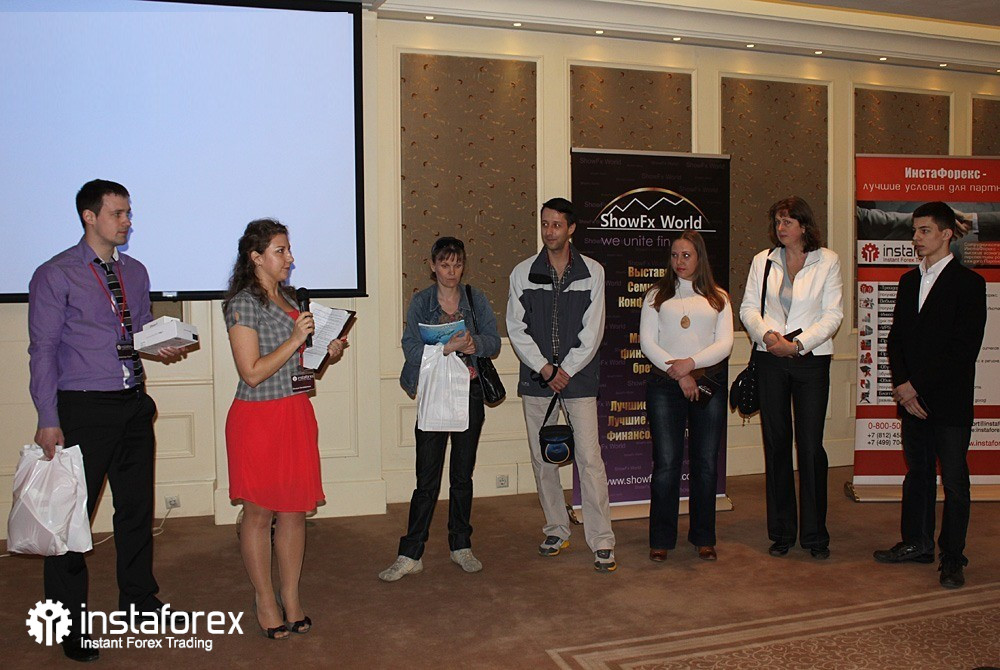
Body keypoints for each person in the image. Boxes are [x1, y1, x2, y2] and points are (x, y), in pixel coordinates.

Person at [28, 179, 186, 662]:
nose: (127, 222)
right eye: (118, 213)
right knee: (69, 520)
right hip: (82, 408)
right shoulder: (55, 274)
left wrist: (161, 345)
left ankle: (138, 600)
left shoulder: (135, 272)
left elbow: (137, 332)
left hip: (132, 403)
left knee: (135, 510)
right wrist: (48, 417)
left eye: (129, 213)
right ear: (89, 216)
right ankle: (68, 624)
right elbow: (43, 351)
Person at [223, 219, 347, 639]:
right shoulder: (242, 304)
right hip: (258, 419)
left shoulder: (292, 299)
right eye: (280, 250)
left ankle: (291, 597)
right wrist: (296, 339)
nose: (290, 257)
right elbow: (252, 372)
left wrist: (325, 351)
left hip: (295, 413)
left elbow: (301, 366)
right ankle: (264, 599)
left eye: (289, 249)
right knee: (259, 513)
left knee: (294, 511)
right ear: (256, 257)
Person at [873, 201, 987, 589]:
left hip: (949, 402)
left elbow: (963, 349)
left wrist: (915, 386)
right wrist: (904, 388)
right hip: (912, 402)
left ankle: (952, 556)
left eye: (924, 231)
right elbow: (896, 340)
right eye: (915, 231)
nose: (916, 238)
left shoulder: (969, 283)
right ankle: (916, 543)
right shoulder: (908, 281)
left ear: (946, 234)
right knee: (918, 474)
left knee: (954, 482)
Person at [379, 237, 501, 582]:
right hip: (434, 393)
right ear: (432, 266)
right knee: (426, 479)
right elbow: (410, 347)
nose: (451, 272)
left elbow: (493, 342)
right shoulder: (421, 302)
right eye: (445, 265)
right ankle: (410, 553)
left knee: (462, 476)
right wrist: (445, 348)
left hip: (469, 394)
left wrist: (473, 343)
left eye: (457, 264)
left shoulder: (476, 299)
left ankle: (461, 546)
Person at [506, 197, 617, 572]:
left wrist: (563, 370)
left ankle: (602, 540)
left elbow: (593, 330)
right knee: (543, 460)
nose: (549, 231)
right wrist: (545, 369)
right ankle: (556, 529)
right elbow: (516, 328)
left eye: (556, 225)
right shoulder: (523, 273)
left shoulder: (593, 272)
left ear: (571, 229)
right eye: (544, 224)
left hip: (578, 379)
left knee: (589, 459)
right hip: (537, 380)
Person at [740, 196, 843, 560]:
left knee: (811, 447)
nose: (780, 227)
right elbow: (748, 308)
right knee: (777, 444)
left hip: (811, 361)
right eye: (777, 221)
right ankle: (782, 531)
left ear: (804, 225)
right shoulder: (763, 260)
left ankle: (815, 535)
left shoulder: (827, 260)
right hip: (770, 359)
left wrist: (797, 345)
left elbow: (833, 315)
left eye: (787, 221)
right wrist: (768, 337)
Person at [640, 232, 733, 562]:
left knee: (705, 464)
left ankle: (704, 537)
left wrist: (690, 365)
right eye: (674, 255)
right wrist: (680, 374)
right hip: (665, 386)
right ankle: (661, 539)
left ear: (699, 258)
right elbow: (648, 343)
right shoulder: (656, 295)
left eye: (686, 255)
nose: (679, 261)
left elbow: (724, 345)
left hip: (708, 383)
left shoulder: (718, 297)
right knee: (666, 464)